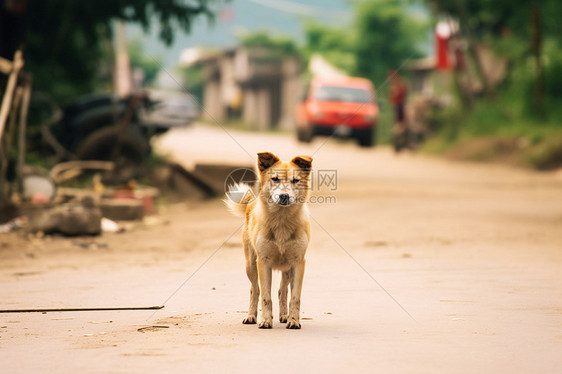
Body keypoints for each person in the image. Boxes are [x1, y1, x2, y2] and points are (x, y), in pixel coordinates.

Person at [388, 70, 409, 152]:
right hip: (396, 107)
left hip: (401, 107)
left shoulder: (400, 85)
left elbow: (402, 96)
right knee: (397, 125)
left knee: (400, 125)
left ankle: (401, 143)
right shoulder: (394, 86)